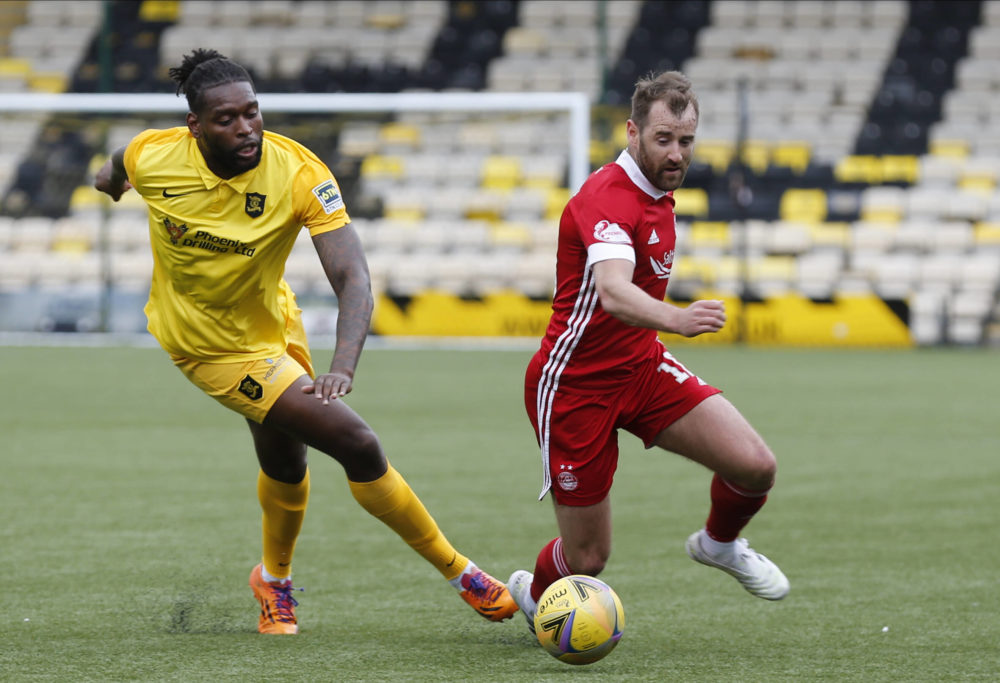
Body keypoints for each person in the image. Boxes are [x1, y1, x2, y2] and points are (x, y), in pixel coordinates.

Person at [94, 48, 517, 635]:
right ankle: (463, 574)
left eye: (252, 112)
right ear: (195, 127)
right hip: (205, 349)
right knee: (356, 441)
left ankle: (273, 582)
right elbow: (119, 164)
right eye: (226, 119)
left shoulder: (298, 172)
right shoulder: (155, 155)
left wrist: (343, 365)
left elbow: (353, 277)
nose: (246, 128)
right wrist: (110, 181)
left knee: (285, 460)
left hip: (276, 328)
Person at [506, 71, 789, 628]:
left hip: (639, 368)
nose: (677, 153)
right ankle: (534, 591)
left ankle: (719, 543)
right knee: (588, 559)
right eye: (663, 139)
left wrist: (662, 332)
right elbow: (612, 291)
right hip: (575, 385)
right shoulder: (608, 196)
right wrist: (677, 319)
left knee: (755, 467)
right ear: (632, 131)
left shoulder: (661, 192)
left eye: (686, 140)